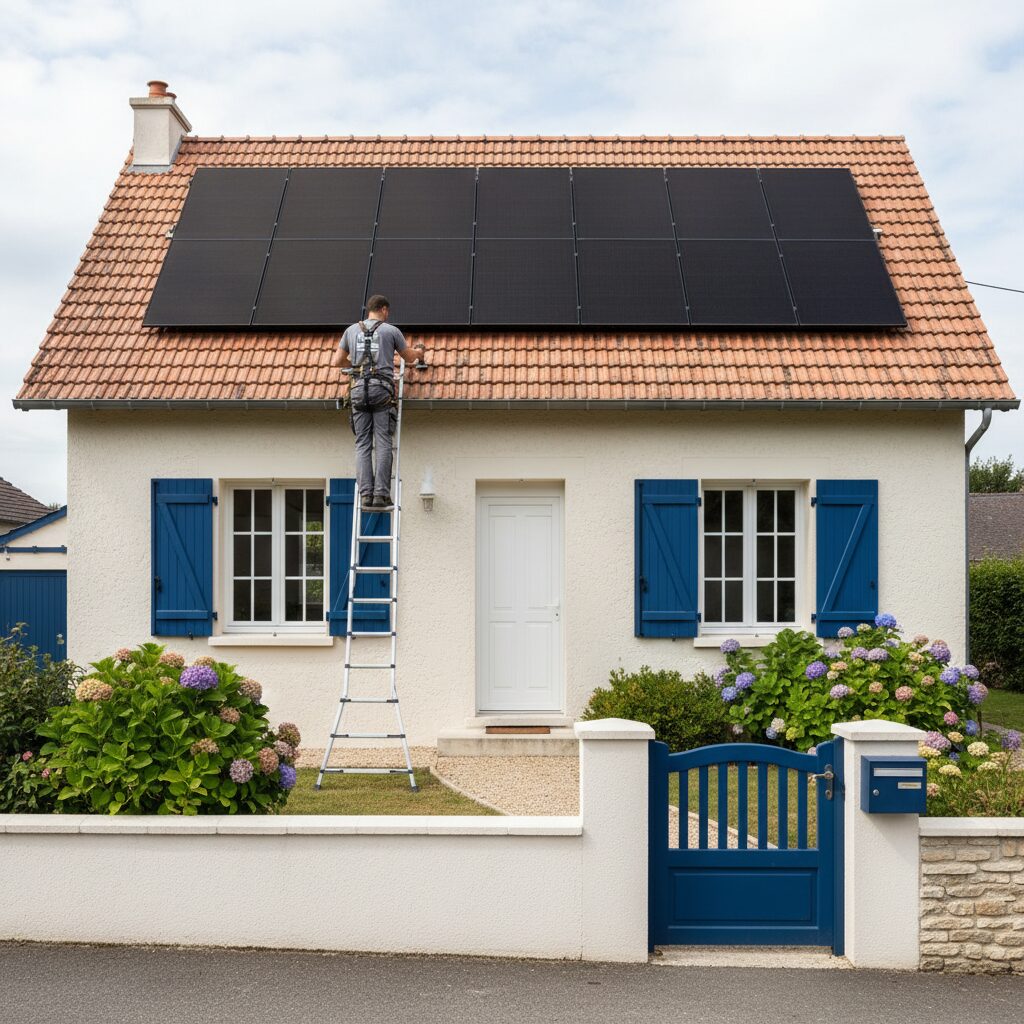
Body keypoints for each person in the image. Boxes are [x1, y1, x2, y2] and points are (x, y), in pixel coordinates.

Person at [333, 295, 426, 509]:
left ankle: (366, 494)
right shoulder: (390, 331)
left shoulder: (350, 331)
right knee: (383, 441)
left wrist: (356, 364)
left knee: (362, 444)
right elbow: (408, 357)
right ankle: (381, 495)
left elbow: (337, 361)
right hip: (381, 390)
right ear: (383, 310)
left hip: (357, 390)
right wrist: (420, 353)